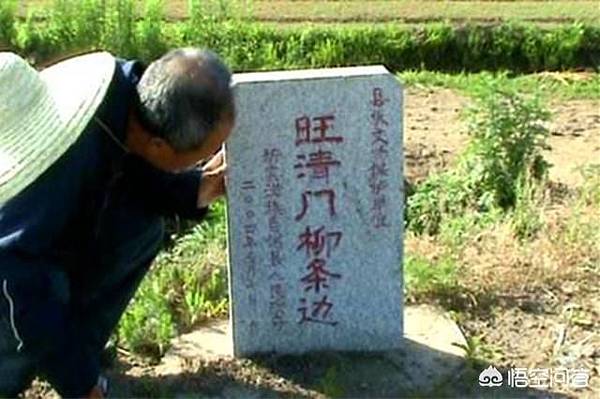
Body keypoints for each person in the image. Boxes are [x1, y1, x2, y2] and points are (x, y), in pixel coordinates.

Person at [0, 48, 234, 398]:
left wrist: (194, 189)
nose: (204, 162)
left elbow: (132, 168)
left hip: (34, 243)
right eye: (199, 158)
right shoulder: (54, 179)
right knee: (38, 298)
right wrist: (80, 384)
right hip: (10, 268)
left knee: (138, 230)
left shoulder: (128, 96)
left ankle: (77, 351)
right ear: (159, 145)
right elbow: (16, 277)